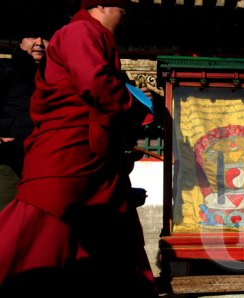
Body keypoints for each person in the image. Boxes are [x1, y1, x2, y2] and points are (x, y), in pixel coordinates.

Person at [0, 0, 158, 296]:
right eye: (122, 11)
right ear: (102, 5)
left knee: (111, 240)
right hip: (66, 160)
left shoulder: (89, 36)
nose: (124, 20)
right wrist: (135, 106)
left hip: (92, 160)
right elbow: (96, 84)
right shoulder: (80, 32)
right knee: (35, 237)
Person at [0, 35, 48, 210]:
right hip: (11, 160)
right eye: (32, 36)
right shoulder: (6, 69)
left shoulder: (59, 75)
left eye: (45, 38)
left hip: (49, 164)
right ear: (20, 43)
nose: (40, 42)